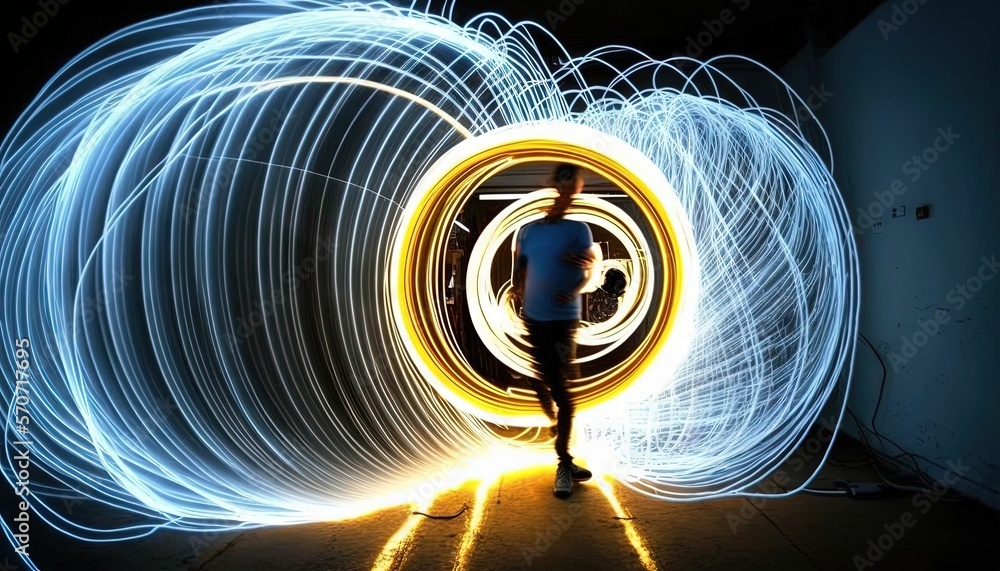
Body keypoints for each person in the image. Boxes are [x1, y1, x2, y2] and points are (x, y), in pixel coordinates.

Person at [512, 163, 597, 498]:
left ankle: (564, 462)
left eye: (572, 185)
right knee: (540, 380)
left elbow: (589, 272)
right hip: (534, 317)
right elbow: (520, 268)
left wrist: (578, 285)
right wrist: (518, 288)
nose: (566, 189)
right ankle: (557, 433)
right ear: (553, 184)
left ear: (575, 190)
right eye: (561, 181)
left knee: (564, 395)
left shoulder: (580, 230)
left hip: (563, 320)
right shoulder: (529, 231)